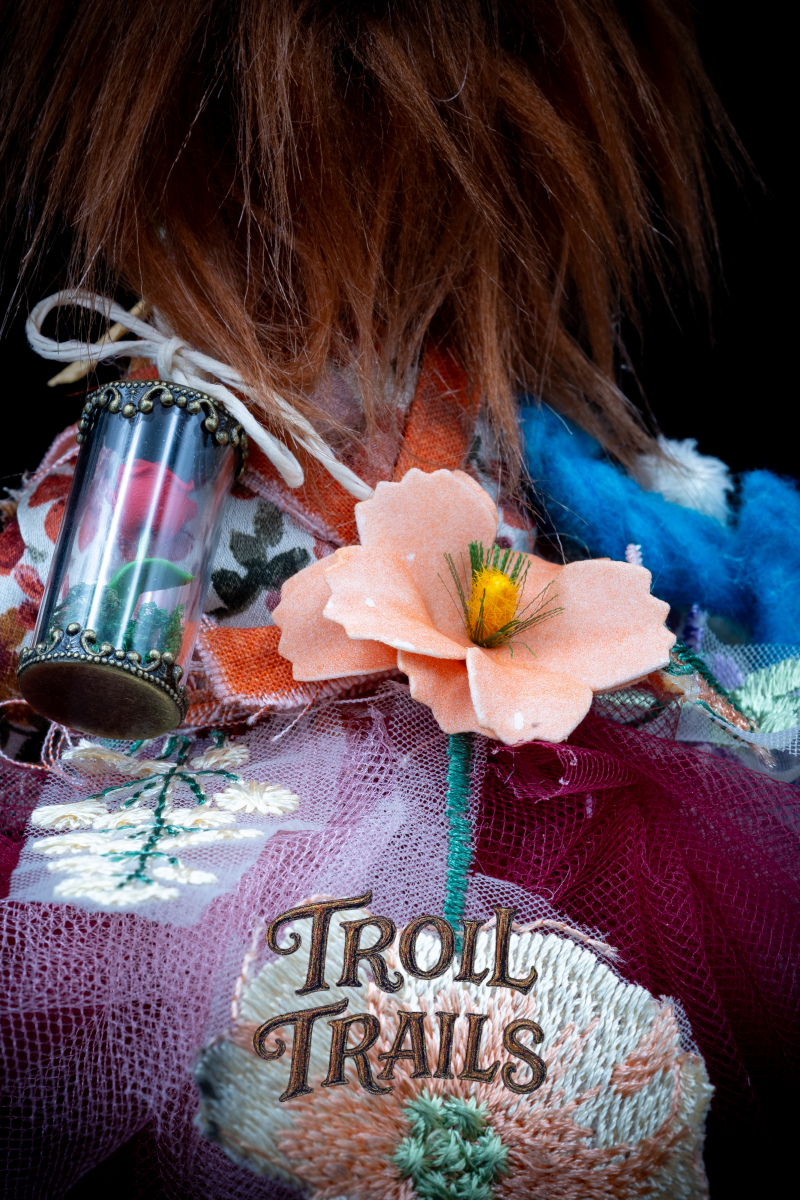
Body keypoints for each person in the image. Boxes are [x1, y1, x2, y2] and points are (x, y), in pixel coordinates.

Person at [0, 3, 797, 1196]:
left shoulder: (459, 394)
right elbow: (54, 579)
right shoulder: (164, 409)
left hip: (458, 729)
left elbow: (521, 542)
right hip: (215, 745)